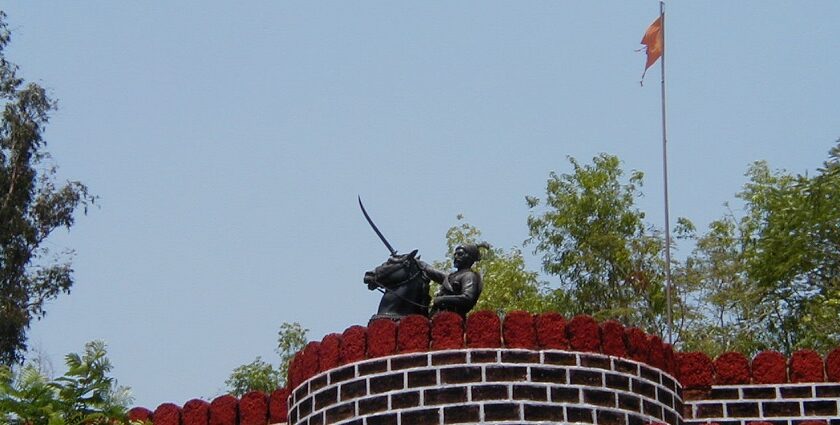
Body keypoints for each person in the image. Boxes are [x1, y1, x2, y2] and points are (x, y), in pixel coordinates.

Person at [418, 243, 489, 317]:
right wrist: (419, 263)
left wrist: (442, 299)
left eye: (460, 254)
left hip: (453, 318)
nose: (456, 256)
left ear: (469, 257)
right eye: (455, 254)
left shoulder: (469, 276)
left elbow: (468, 298)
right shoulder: (451, 276)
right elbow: (433, 272)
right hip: (437, 315)